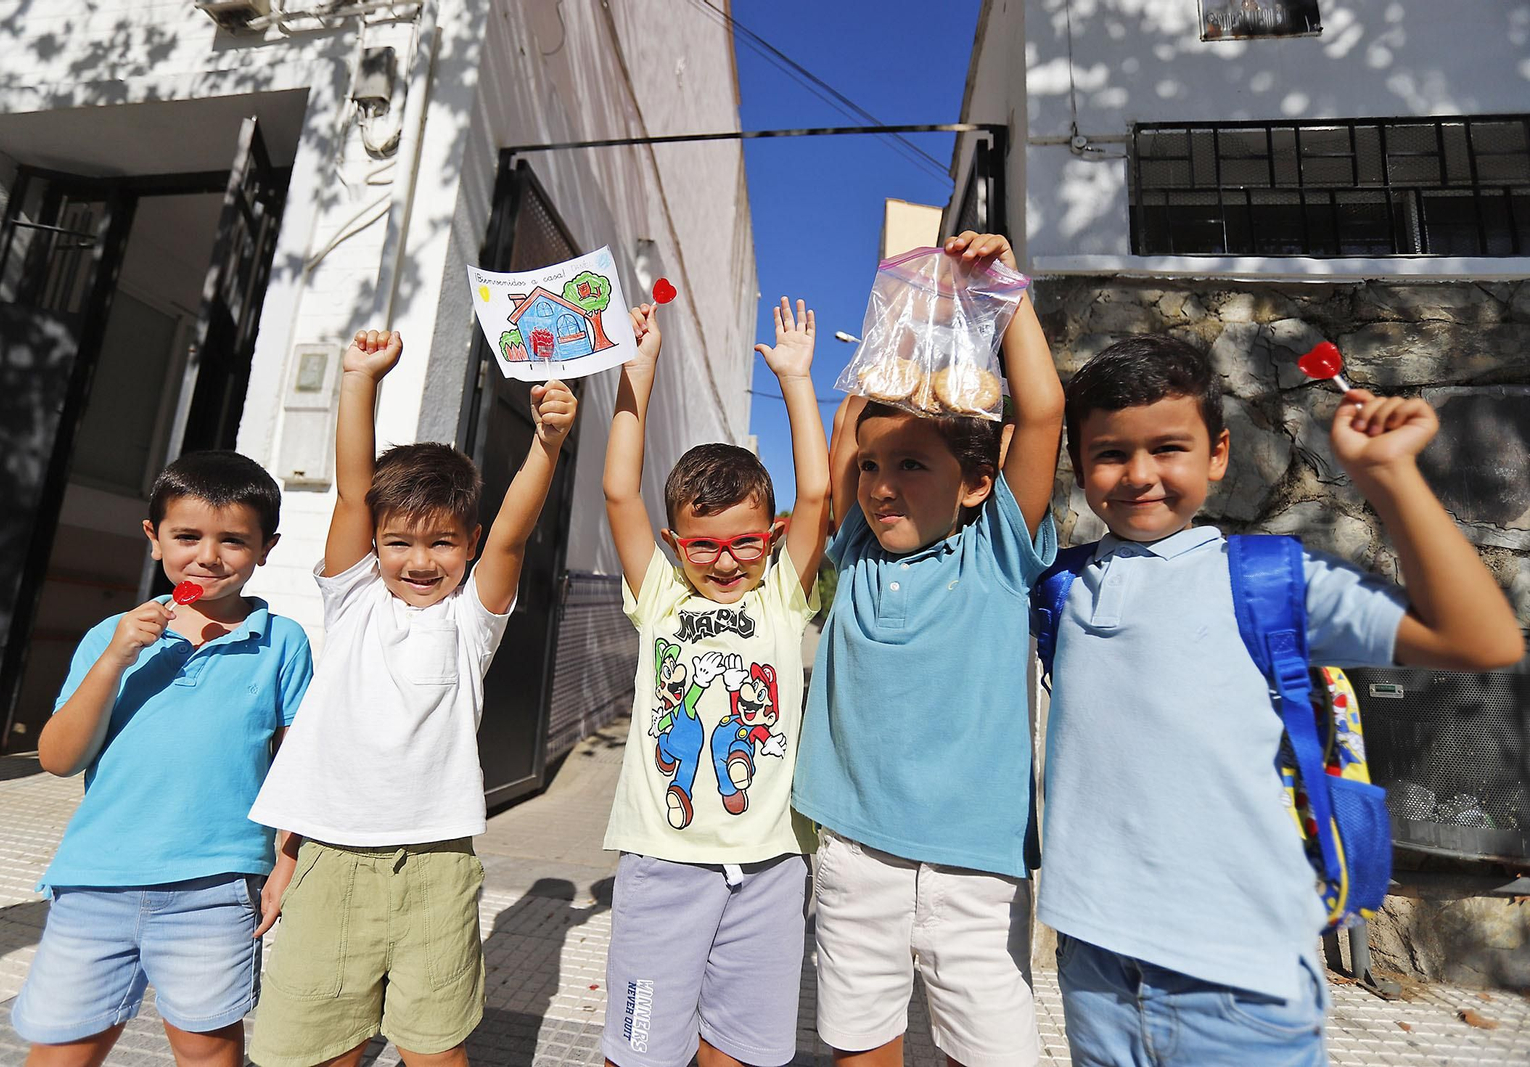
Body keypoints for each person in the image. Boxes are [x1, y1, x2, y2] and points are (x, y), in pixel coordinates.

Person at [1042, 335, 1524, 1066]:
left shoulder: (1271, 577)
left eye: (1168, 447)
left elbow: (1479, 638)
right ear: (1079, 464)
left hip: (1240, 976)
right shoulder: (1061, 585)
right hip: (1094, 968)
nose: (1139, 474)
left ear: (1219, 454)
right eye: (1110, 453)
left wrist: (1392, 477)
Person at [246, 329, 578, 1067]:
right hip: (330, 857)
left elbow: (515, 536)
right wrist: (360, 378)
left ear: (469, 544)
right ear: (376, 544)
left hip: (436, 864)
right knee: (318, 1049)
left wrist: (547, 442)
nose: (419, 561)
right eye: (399, 542)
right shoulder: (354, 596)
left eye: (442, 544)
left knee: (435, 1051)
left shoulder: (471, 621)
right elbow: (351, 486)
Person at [793, 231, 1062, 1067]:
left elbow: (1044, 409)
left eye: (911, 464)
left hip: (973, 874)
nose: (880, 484)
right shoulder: (854, 552)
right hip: (853, 857)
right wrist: (897, 339)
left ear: (979, 482)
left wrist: (1001, 290)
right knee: (860, 1049)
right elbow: (846, 441)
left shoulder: (997, 553)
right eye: (872, 467)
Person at [12, 450, 313, 1067]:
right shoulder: (111, 636)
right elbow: (57, 759)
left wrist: (285, 866)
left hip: (216, 886)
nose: (208, 555)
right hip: (95, 882)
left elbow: (299, 767)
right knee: (63, 1048)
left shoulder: (282, 642)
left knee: (207, 1049)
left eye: (233, 540)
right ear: (154, 540)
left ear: (266, 548)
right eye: (187, 536)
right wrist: (115, 658)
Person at [599, 296, 829, 1067]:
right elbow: (619, 493)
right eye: (704, 546)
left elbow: (821, 496)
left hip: (768, 867)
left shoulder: (781, 597)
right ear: (674, 543)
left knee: (743, 1051)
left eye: (745, 542)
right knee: (638, 1051)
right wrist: (641, 372)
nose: (727, 560)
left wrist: (798, 380)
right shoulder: (661, 595)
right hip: (662, 864)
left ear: (770, 536)